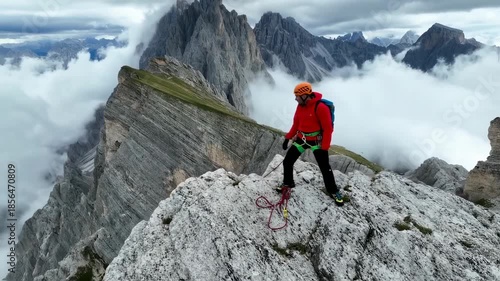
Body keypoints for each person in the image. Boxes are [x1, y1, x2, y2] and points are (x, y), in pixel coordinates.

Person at [278, 82, 344, 206]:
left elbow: (328, 129)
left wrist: (324, 147)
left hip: (316, 142)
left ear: (304, 95)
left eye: (297, 96)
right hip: (302, 139)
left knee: (325, 168)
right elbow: (296, 124)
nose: (295, 98)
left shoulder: (320, 107)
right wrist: (288, 137)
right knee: (288, 161)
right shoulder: (300, 106)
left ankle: (333, 191)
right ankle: (288, 184)